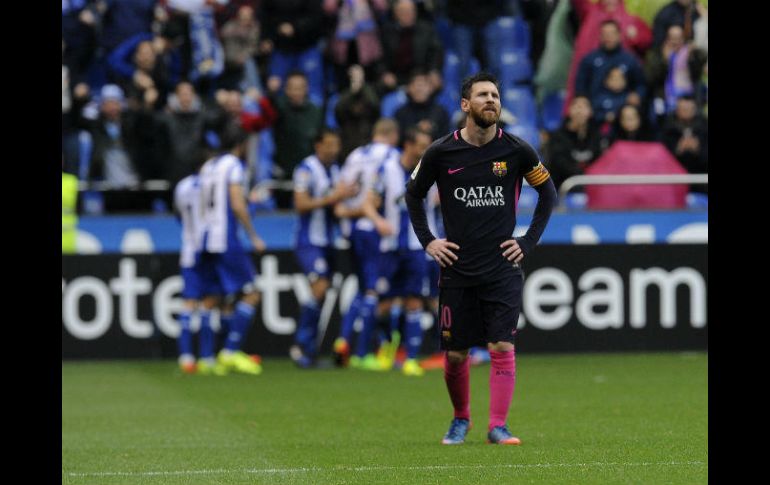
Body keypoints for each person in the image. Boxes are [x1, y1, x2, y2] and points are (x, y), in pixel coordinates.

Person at [404, 72, 557, 444]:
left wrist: (528, 241)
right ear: (465, 105)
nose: (491, 100)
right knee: (456, 355)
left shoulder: (517, 150)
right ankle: (461, 419)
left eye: (495, 95)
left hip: (502, 267)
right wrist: (429, 241)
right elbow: (413, 195)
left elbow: (548, 193)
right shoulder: (441, 152)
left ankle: (498, 425)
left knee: (502, 345)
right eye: (483, 95)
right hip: (456, 268)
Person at [362, 128, 434, 376]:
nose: (425, 150)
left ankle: (411, 359)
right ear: (408, 144)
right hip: (390, 247)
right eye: (422, 145)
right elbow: (368, 204)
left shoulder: (430, 171)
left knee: (414, 300)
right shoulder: (386, 170)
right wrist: (378, 221)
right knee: (383, 303)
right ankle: (384, 350)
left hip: (417, 247)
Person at [197, 124, 267, 375]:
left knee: (213, 298)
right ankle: (230, 351)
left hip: (204, 237)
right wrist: (253, 235)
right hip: (225, 238)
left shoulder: (208, 166)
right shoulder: (234, 166)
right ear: (241, 144)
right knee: (251, 293)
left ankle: (206, 359)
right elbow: (237, 204)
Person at [332, 118, 400, 369]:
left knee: (363, 289)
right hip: (377, 230)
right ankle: (363, 353)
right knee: (374, 290)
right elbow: (387, 197)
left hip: (353, 231)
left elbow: (340, 196)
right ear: (393, 135)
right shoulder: (393, 156)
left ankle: (342, 340)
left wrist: (348, 210)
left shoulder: (355, 155)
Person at [289, 129, 356, 368]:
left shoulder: (337, 170)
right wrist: (333, 198)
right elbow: (300, 204)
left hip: (330, 241)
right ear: (318, 146)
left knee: (323, 292)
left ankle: (309, 349)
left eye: (336, 145)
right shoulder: (306, 169)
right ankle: (301, 344)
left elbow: (338, 202)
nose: (333, 149)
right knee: (319, 287)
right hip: (309, 241)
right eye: (328, 145)